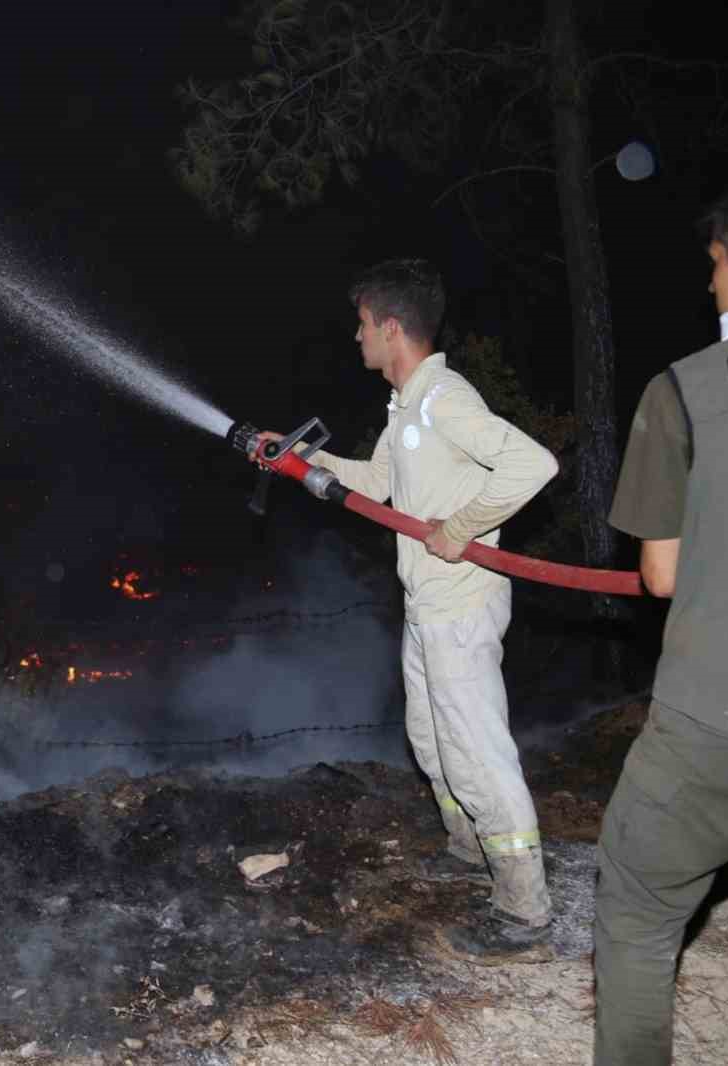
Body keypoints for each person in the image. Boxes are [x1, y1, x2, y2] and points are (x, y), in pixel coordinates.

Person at [255, 259, 560, 959]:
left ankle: (523, 911)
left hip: (460, 606)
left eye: (362, 324)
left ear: (391, 328)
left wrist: (462, 526)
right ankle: (466, 847)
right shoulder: (407, 407)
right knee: (429, 740)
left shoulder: (443, 399)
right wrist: (300, 463)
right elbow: (382, 485)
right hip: (427, 605)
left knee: (477, 753)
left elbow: (534, 465)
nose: (355, 336)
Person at [594, 189, 728, 1065]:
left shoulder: (684, 392)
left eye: (718, 260)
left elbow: (660, 573)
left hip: (713, 721)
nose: (712, 278)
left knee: (640, 908)